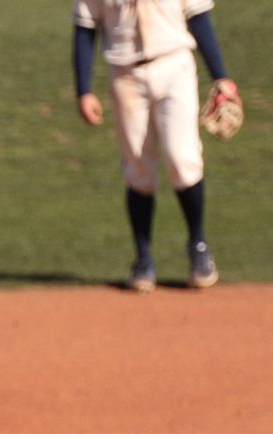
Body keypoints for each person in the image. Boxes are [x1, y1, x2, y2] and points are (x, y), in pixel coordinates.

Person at [74, 0, 239, 291]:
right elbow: (85, 28)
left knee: (183, 160)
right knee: (138, 169)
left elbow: (198, 17)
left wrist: (220, 76)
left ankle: (198, 245)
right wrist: (84, 90)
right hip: (125, 75)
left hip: (174, 66)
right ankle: (143, 259)